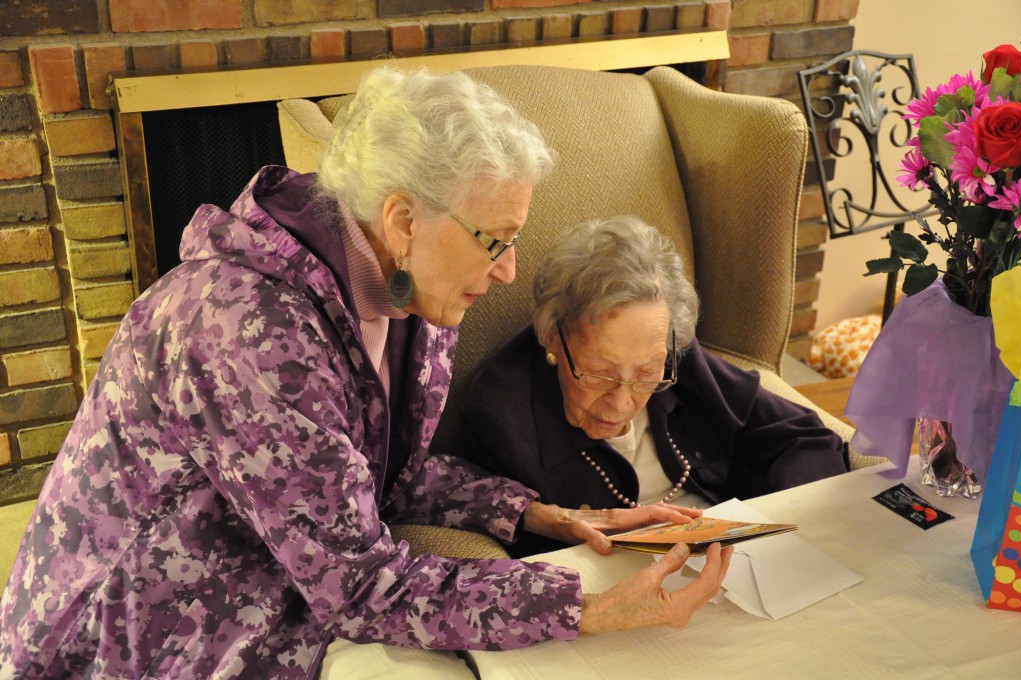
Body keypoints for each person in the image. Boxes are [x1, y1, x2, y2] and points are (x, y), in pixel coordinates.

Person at [0, 69, 732, 679]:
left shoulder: (407, 292)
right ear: (405, 219)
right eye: (496, 240)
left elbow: (373, 471)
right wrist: (584, 607)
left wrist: (537, 513)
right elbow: (357, 586)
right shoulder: (249, 331)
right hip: (133, 637)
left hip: (262, 589)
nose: (509, 271)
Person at [461, 215, 850, 556]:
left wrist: (788, 527)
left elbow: (804, 437)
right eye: (599, 373)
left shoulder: (674, 354)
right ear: (552, 338)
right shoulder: (500, 413)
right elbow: (512, 539)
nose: (622, 403)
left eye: (647, 374)